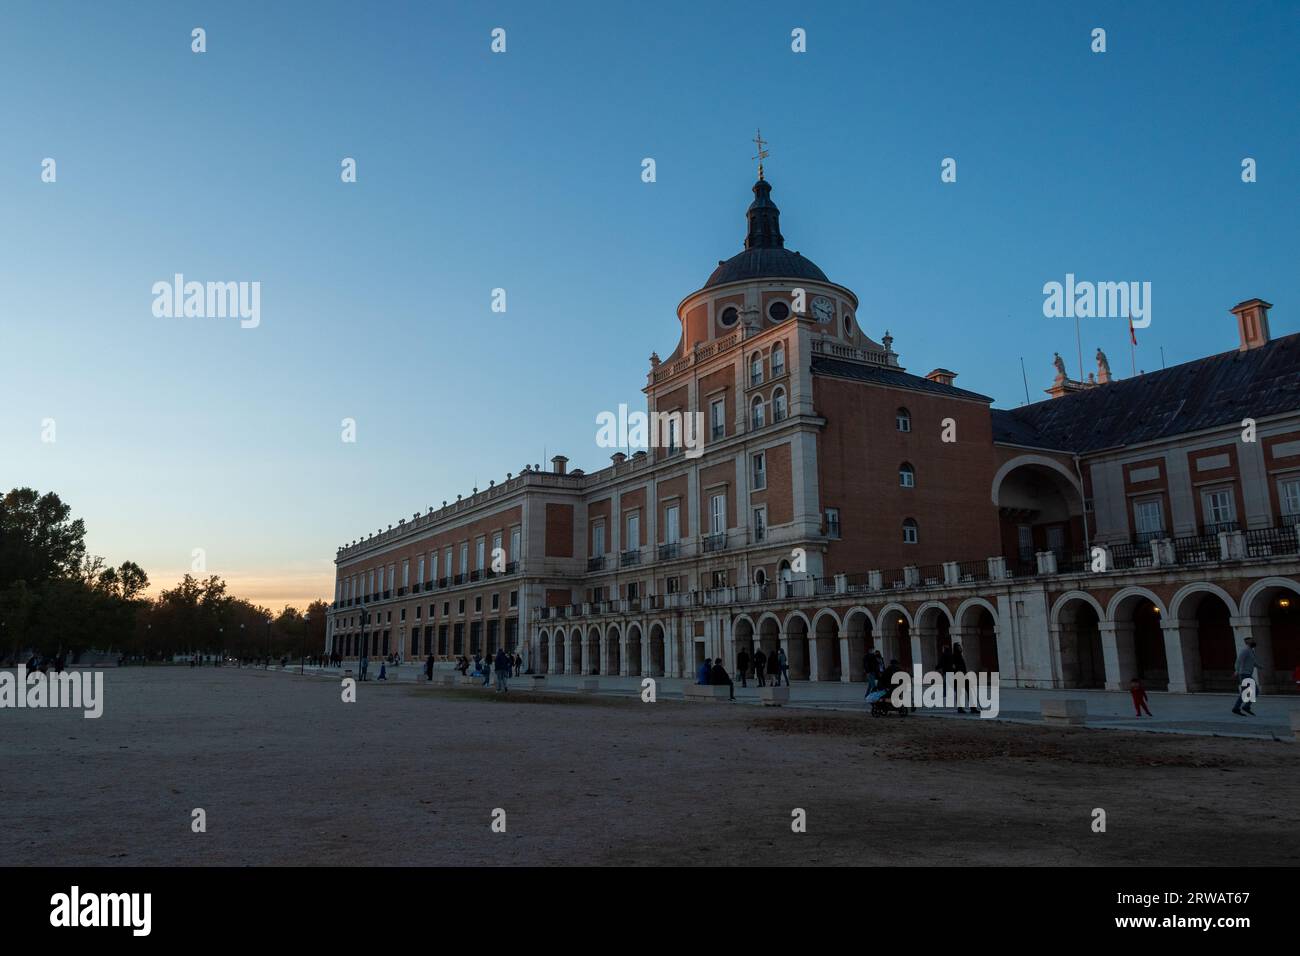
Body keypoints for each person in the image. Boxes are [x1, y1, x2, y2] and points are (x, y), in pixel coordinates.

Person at [1232, 637, 1261, 716]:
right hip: (1244, 674)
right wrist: (1236, 670)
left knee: (1246, 692)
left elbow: (1252, 662)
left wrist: (1259, 666)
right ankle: (1243, 707)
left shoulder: (1251, 651)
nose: (1254, 642)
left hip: (1247, 674)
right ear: (1247, 643)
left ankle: (1239, 707)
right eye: (1252, 641)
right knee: (1255, 691)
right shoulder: (1245, 651)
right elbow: (1239, 660)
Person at [951, 642, 971, 713]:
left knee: (969, 691)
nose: (960, 648)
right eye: (959, 647)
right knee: (960, 693)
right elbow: (954, 667)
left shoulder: (960, 656)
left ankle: (973, 708)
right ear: (956, 648)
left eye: (960, 647)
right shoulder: (954, 657)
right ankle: (960, 708)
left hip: (964, 676)